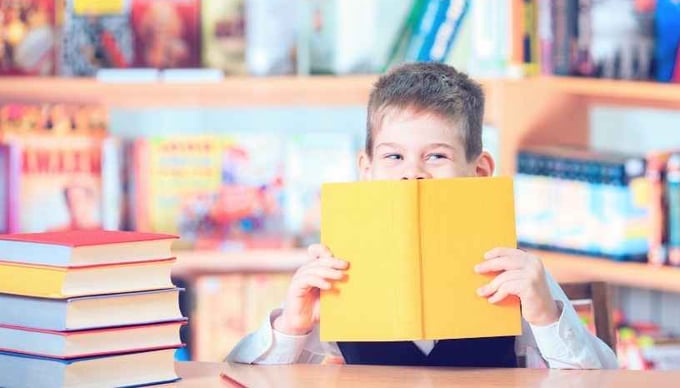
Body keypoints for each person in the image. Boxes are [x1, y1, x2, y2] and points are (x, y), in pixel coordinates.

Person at [227, 63, 618, 369]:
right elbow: (246, 375)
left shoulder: (510, 267)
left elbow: (600, 379)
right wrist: (292, 326)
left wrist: (545, 316)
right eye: (394, 156)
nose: (412, 173)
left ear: (479, 171)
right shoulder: (338, 268)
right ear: (368, 170)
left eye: (436, 156)